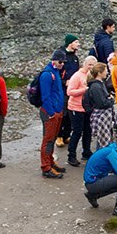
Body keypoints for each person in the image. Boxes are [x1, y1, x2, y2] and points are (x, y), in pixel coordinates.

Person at [36, 50, 68, 178]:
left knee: (52, 139)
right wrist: (51, 112)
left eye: (63, 62)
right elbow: (45, 96)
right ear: (54, 60)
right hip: (50, 112)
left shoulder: (54, 72)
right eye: (60, 62)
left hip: (56, 110)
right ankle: (46, 167)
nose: (62, 64)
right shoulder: (47, 75)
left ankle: (50, 162)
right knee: (48, 140)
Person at [65, 54, 93, 167]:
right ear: (84, 64)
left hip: (87, 108)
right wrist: (83, 90)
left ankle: (86, 152)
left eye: (93, 65)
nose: (91, 67)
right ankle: (71, 155)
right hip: (75, 107)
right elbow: (69, 92)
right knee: (77, 131)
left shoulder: (91, 76)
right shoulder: (77, 76)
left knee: (88, 131)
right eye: (89, 65)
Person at [86, 60, 116, 151]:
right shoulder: (96, 86)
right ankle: (100, 161)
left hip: (104, 116)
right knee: (103, 141)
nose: (107, 72)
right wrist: (111, 100)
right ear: (99, 73)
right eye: (105, 70)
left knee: (104, 140)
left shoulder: (100, 84)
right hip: (101, 116)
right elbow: (102, 103)